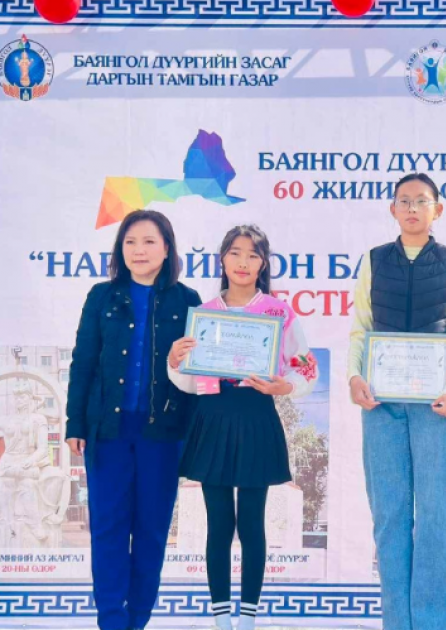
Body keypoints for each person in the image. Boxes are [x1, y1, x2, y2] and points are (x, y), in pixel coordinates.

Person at [347, 173, 446, 630]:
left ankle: (431, 623)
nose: (412, 208)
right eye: (403, 201)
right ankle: (397, 623)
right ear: (392, 209)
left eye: (421, 201)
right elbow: (361, 329)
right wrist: (353, 376)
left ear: (437, 210)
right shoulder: (373, 261)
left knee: (435, 520)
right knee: (389, 518)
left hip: (437, 408)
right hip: (381, 407)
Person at [168, 225, 319, 630]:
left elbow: (305, 368)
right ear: (222, 259)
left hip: (256, 417)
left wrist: (286, 385)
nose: (243, 262)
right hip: (213, 417)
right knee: (218, 523)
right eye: (235, 252)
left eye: (253, 255)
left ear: (263, 264)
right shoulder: (204, 313)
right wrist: (174, 362)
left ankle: (248, 618)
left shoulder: (278, 312)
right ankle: (221, 619)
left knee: (252, 522)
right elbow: (188, 381)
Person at [65, 210, 201, 630]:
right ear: (120, 249)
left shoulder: (188, 300)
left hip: (164, 436)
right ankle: (111, 622)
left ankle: (137, 621)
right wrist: (74, 424)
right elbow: (83, 363)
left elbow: (199, 373)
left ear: (167, 248)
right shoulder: (101, 297)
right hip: (106, 433)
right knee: (107, 530)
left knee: (152, 533)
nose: (138, 250)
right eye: (130, 242)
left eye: (148, 241)